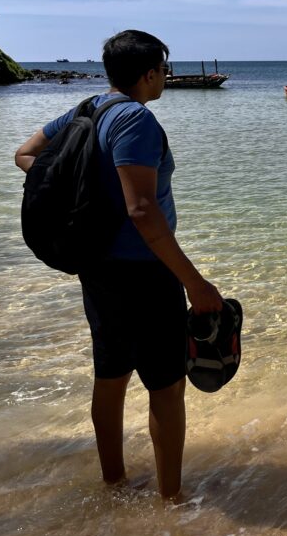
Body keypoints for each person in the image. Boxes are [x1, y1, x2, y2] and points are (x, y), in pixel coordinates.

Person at [15, 29, 222, 499]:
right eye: (164, 70)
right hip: (145, 272)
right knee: (166, 387)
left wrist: (81, 193)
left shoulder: (87, 109)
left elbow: (25, 155)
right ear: (150, 73)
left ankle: (115, 485)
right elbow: (143, 211)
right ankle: (171, 499)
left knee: (111, 377)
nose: (166, 78)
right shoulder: (136, 121)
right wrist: (194, 283)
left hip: (99, 269)